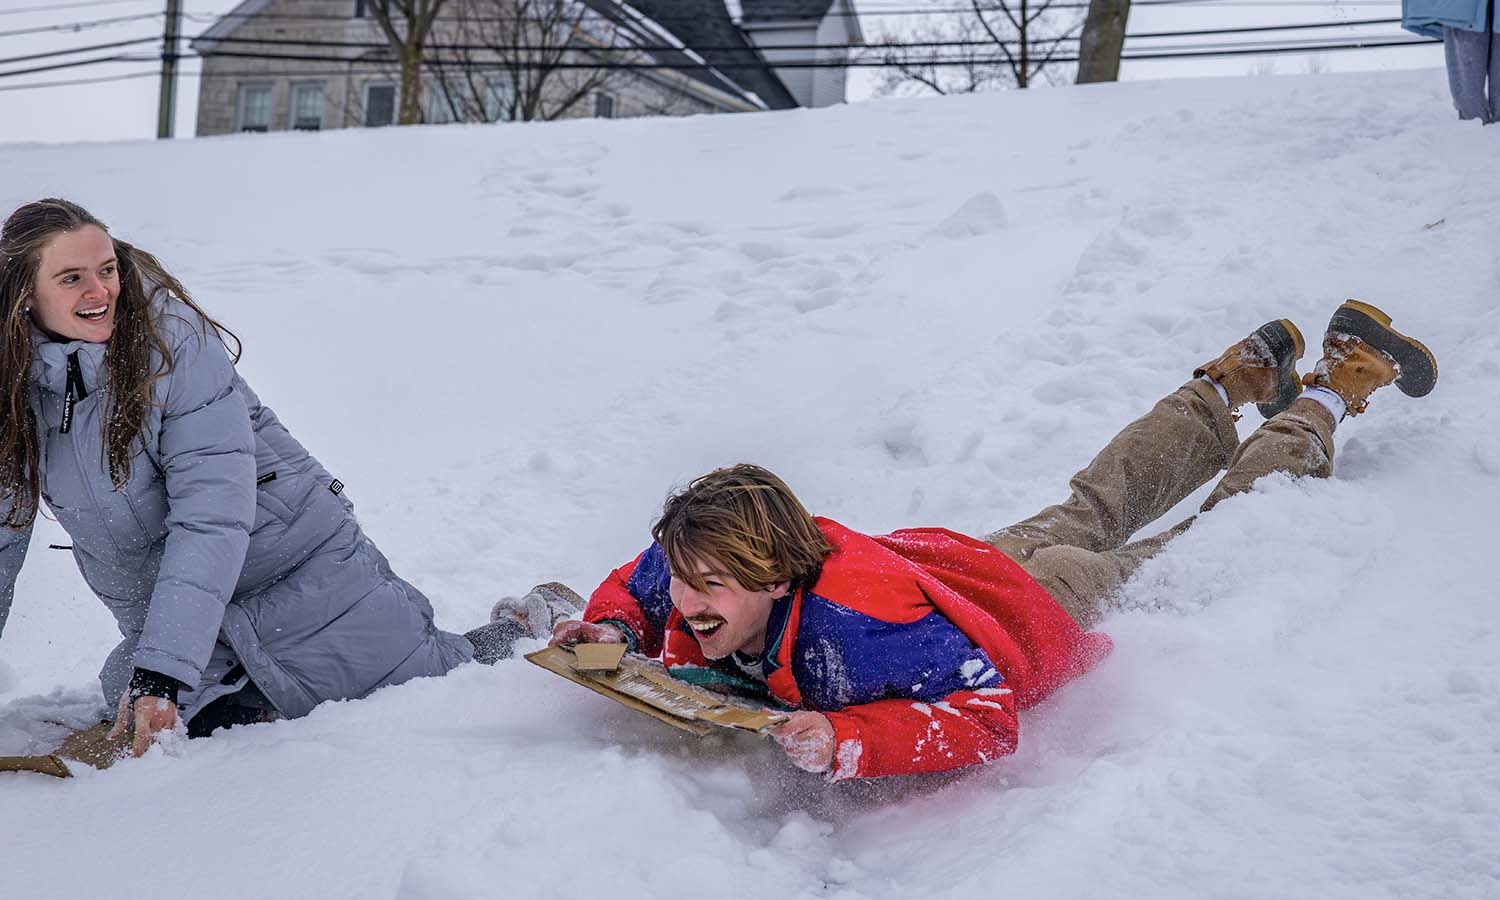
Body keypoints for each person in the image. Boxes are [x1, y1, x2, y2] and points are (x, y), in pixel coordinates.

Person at [551, 302, 1437, 780]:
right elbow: (640, 582)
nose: (687, 600)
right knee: (1098, 498)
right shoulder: (720, 564)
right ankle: (1230, 381)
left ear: (776, 576)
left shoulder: (859, 635)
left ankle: (1335, 385)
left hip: (1038, 603)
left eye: (706, 587)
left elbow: (987, 717)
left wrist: (851, 737)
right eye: (685, 579)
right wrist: (611, 629)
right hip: (963, 568)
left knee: (1211, 534)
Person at [0, 199, 475, 757]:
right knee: (138, 707)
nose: (101, 291)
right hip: (196, 613)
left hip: (295, 573)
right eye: (72, 278)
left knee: (432, 678)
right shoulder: (13, 385)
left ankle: (529, 622)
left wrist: (163, 671)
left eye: (108, 270)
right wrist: (160, 666)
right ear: (24, 294)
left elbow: (212, 515)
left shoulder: (173, 346)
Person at [1404, 0, 1498, 124]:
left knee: (1468, 92)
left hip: (1461, 12)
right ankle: (1475, 132)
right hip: (1462, 10)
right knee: (1468, 96)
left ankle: (1478, 130)